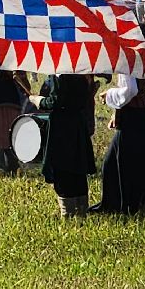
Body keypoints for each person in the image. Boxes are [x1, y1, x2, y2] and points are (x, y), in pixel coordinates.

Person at [95, 46, 145, 215]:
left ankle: (124, 205)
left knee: (121, 163)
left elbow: (129, 91)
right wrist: (116, 112)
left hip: (132, 115)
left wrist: (109, 94)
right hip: (144, 113)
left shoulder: (129, 57)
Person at [30, 73, 98, 218]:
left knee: (62, 168)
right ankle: (81, 210)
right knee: (77, 168)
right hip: (78, 124)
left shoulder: (59, 75)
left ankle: (67, 213)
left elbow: (56, 101)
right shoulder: (81, 73)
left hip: (62, 127)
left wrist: (39, 101)